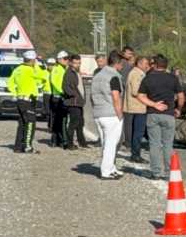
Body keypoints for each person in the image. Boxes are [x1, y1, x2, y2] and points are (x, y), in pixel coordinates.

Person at [137, 55, 185, 180]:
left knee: (154, 144)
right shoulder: (173, 78)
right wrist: (178, 109)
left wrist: (154, 104)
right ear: (166, 66)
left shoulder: (148, 78)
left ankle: (156, 172)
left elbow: (140, 96)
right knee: (168, 144)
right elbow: (181, 97)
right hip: (168, 114)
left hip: (153, 114)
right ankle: (169, 173)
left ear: (155, 65)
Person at [91, 50, 125, 180]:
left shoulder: (98, 75)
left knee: (105, 143)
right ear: (117, 62)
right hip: (111, 114)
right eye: (122, 62)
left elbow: (92, 96)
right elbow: (116, 97)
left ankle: (111, 168)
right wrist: (119, 114)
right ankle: (106, 171)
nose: (123, 65)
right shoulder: (114, 76)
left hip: (98, 113)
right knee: (112, 144)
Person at [8, 50, 42, 153]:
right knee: (30, 123)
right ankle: (28, 147)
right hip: (28, 100)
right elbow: (43, 75)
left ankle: (18, 147)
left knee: (22, 123)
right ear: (32, 60)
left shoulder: (17, 69)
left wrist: (15, 94)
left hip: (20, 100)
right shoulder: (30, 70)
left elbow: (10, 83)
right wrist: (36, 66)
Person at [124, 56, 150, 163]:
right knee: (138, 133)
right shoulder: (136, 74)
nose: (147, 66)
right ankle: (135, 155)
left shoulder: (138, 73)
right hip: (137, 107)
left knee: (137, 132)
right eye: (145, 64)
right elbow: (136, 91)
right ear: (139, 64)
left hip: (137, 106)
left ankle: (135, 153)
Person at [62, 54, 88, 150]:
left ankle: (82, 142)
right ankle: (70, 144)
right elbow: (65, 87)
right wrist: (74, 95)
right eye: (75, 63)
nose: (77, 64)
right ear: (70, 63)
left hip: (78, 102)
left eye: (79, 63)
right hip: (73, 102)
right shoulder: (69, 73)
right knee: (73, 123)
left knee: (80, 123)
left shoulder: (76, 72)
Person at [48, 51, 69, 146]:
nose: (67, 60)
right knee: (58, 120)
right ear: (59, 59)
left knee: (60, 120)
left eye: (67, 58)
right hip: (58, 98)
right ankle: (58, 140)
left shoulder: (64, 68)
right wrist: (62, 91)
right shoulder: (57, 69)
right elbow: (54, 82)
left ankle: (58, 140)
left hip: (61, 97)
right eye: (65, 58)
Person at [34, 56, 52, 142]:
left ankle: (52, 126)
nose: (51, 66)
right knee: (48, 111)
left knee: (54, 112)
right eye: (49, 65)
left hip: (54, 94)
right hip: (46, 94)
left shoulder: (57, 72)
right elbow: (37, 71)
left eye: (53, 65)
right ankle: (50, 125)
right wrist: (37, 61)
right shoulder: (44, 72)